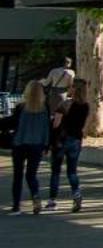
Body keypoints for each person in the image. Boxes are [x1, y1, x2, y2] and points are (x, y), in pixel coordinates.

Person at [6, 80, 52, 214]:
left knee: (18, 175)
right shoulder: (45, 108)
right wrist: (46, 145)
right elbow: (47, 128)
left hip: (20, 144)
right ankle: (36, 198)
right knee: (31, 175)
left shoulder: (21, 107)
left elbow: (12, 123)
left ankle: (16, 206)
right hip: (37, 145)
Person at [49, 77, 89, 212]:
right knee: (72, 171)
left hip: (62, 139)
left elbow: (56, 124)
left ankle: (52, 200)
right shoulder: (85, 106)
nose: (68, 89)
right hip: (76, 139)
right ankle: (76, 194)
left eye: (71, 87)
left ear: (74, 89)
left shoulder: (65, 104)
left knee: (55, 171)